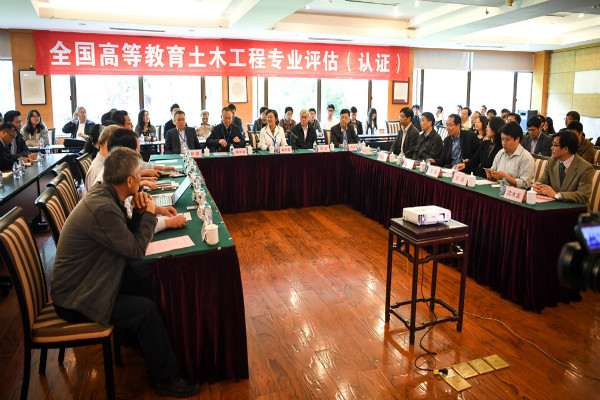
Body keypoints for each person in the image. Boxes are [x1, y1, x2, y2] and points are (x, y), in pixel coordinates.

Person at [51, 147, 200, 398]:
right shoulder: (103, 207)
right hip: (77, 297)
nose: (142, 179)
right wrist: (149, 212)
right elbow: (135, 249)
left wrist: (140, 212)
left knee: (144, 282)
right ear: (130, 181)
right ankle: (165, 378)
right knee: (145, 309)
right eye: (139, 175)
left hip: (91, 278)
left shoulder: (106, 195)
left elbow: (125, 235)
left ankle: (142, 345)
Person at [532, 130, 593, 205]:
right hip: (554, 205)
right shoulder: (552, 162)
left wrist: (557, 195)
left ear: (566, 149)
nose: (551, 148)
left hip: (575, 209)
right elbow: (542, 182)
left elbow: (583, 195)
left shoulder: (585, 168)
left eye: (555, 145)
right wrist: (537, 186)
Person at [486, 121, 534, 189]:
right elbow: (494, 172)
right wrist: (491, 176)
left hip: (516, 193)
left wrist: (505, 177)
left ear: (517, 139)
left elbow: (525, 184)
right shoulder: (501, 153)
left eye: (507, 140)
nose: (504, 143)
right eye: (502, 139)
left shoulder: (526, 157)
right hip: (499, 189)